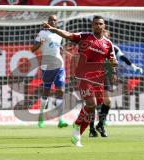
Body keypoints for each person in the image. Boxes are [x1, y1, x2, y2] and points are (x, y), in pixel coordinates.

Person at [43, 15, 118, 147]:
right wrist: (54, 29)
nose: (98, 26)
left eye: (100, 24)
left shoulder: (108, 44)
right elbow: (68, 34)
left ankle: (77, 133)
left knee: (94, 106)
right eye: (96, 24)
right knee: (91, 103)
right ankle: (78, 128)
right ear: (92, 25)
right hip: (83, 76)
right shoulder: (84, 37)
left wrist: (113, 70)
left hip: (98, 78)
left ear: (104, 26)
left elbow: (112, 60)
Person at [89, 30, 143, 138]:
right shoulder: (93, 45)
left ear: (109, 36)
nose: (104, 34)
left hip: (106, 76)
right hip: (93, 75)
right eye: (102, 33)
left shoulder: (112, 47)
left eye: (106, 33)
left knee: (107, 101)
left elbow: (122, 57)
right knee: (92, 102)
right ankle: (91, 129)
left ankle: (100, 124)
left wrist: (133, 67)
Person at [31, 15, 68, 128]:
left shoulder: (59, 34)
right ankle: (41, 116)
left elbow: (58, 48)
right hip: (47, 66)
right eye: (51, 20)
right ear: (48, 21)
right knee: (46, 93)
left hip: (59, 66)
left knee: (60, 91)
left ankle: (61, 120)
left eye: (55, 20)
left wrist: (64, 51)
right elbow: (33, 49)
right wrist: (40, 44)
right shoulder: (42, 33)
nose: (53, 21)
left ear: (57, 22)